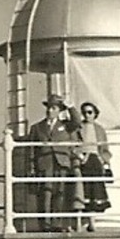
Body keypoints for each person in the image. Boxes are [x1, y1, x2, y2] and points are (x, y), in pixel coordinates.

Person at [27, 95, 77, 231]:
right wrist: (31, 168)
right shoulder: (37, 127)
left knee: (60, 193)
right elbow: (31, 149)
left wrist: (70, 107)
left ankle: (57, 224)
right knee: (45, 194)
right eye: (48, 108)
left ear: (59, 110)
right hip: (44, 163)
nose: (50, 111)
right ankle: (45, 224)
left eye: (53, 108)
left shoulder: (65, 125)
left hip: (61, 163)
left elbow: (77, 122)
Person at [72, 101, 111, 231]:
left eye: (90, 112)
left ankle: (91, 222)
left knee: (95, 192)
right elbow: (73, 144)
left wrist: (104, 161)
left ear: (95, 114)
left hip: (96, 161)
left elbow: (105, 148)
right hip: (83, 160)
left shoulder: (100, 129)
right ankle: (78, 223)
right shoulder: (78, 128)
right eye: (84, 112)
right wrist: (80, 156)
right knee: (81, 191)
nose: (87, 115)